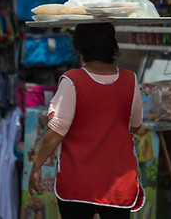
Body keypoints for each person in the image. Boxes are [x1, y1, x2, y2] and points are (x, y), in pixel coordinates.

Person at [28, 22, 144, 219]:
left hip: (78, 183)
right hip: (117, 182)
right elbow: (135, 125)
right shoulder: (130, 80)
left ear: (79, 47)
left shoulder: (73, 80)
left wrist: (37, 164)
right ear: (112, 45)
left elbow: (57, 129)